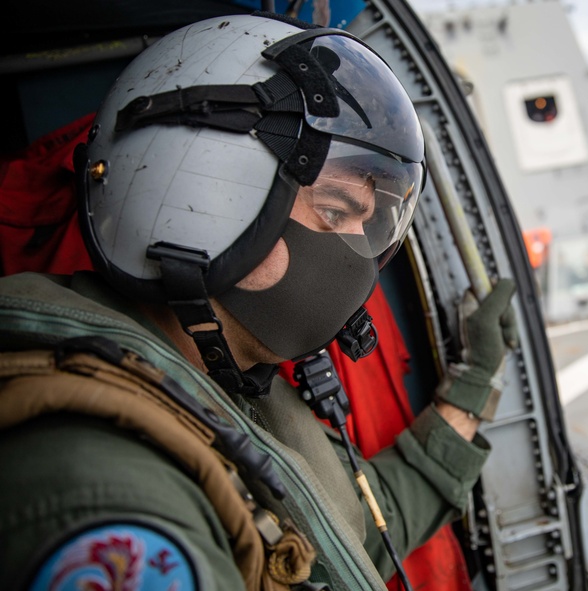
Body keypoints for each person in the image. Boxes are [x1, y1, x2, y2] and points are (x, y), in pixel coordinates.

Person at [0, 13, 516, 590]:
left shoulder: (234, 396)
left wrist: (471, 388)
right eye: (336, 211)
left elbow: (353, 532)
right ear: (206, 192)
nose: (355, 259)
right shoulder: (104, 495)